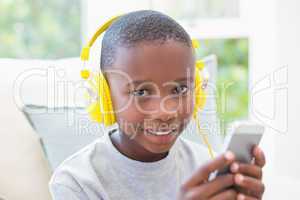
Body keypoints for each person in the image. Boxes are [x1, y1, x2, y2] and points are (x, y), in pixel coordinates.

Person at [49, 10, 265, 200]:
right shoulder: (76, 182)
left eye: (180, 89)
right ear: (104, 97)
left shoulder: (206, 166)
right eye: (141, 92)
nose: (165, 111)